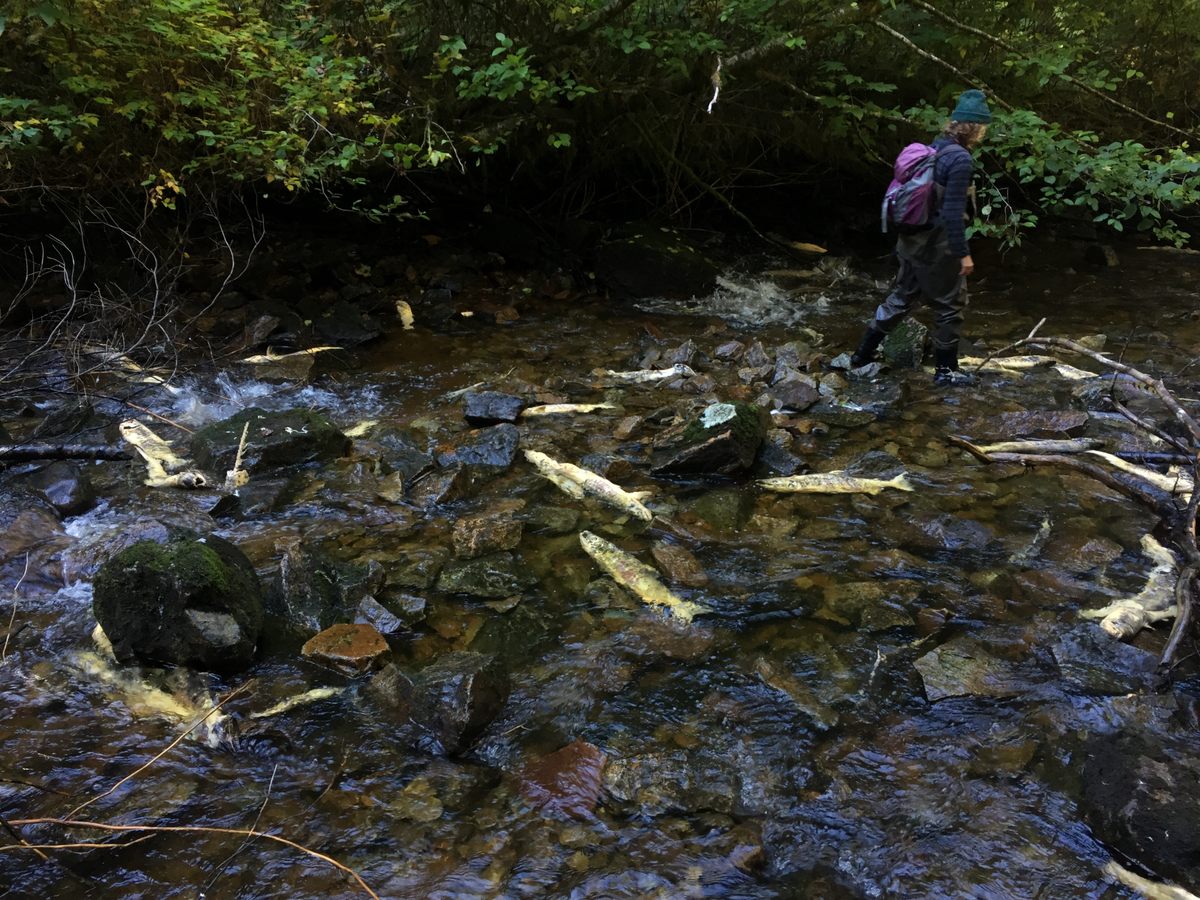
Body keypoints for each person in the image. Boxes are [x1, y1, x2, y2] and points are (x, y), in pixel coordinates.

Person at [849, 88, 992, 384]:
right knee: (951, 306)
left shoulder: (936, 147)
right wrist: (963, 253)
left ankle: (861, 356)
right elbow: (953, 214)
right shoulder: (961, 161)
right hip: (937, 245)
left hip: (911, 240)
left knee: (901, 297)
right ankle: (946, 372)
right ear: (976, 127)